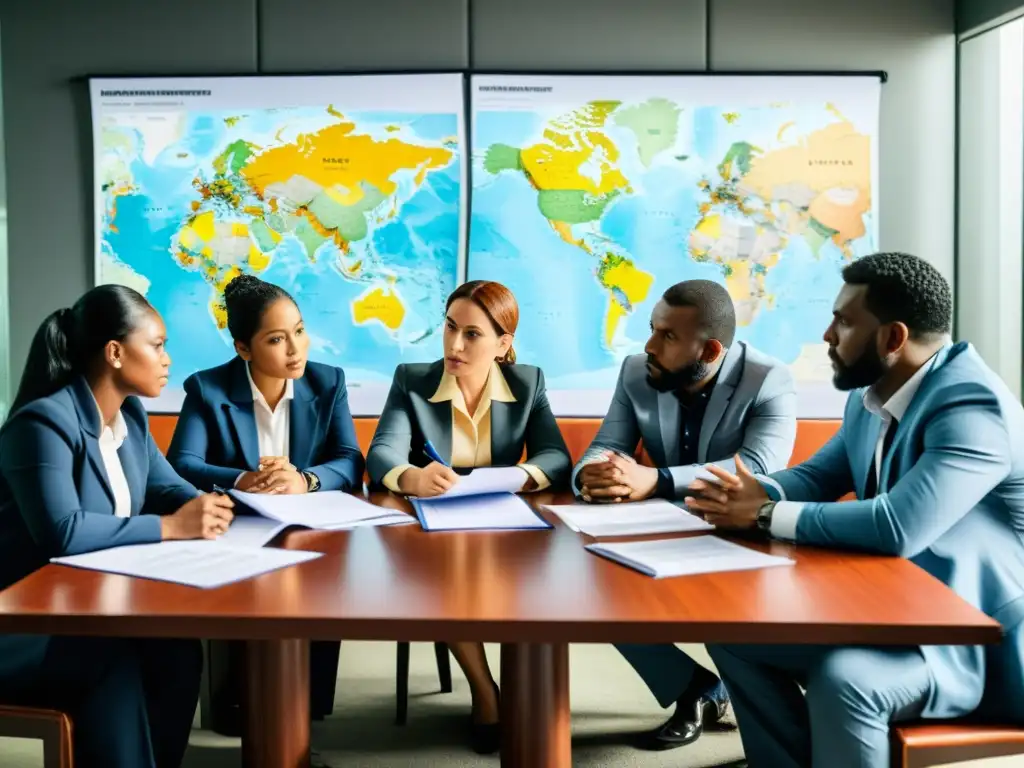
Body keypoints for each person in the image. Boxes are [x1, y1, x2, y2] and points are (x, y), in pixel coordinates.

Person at [686, 252, 1024, 768]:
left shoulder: (972, 406)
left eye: (844, 321)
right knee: (735, 635)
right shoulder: (872, 395)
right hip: (898, 615)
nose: (827, 334)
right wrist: (744, 494)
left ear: (893, 337)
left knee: (847, 681)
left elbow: (898, 525)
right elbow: (818, 478)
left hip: (974, 645)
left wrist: (760, 515)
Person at [0, 285, 235, 768]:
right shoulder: (41, 424)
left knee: (177, 653)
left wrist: (216, 508)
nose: (168, 359)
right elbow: (63, 532)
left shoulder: (129, 417)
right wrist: (172, 528)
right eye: (157, 345)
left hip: (78, 609)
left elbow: (170, 489)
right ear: (115, 353)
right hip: (21, 626)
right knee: (112, 662)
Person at [573, 279, 797, 751]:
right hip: (660, 525)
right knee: (593, 580)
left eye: (668, 336)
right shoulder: (638, 370)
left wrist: (655, 481)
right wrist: (594, 475)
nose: (649, 345)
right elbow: (606, 445)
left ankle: (776, 716)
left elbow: (758, 471)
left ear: (711, 349)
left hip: (741, 532)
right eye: (652, 329)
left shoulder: (768, 378)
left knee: (731, 628)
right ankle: (692, 689)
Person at [366, 279, 571, 753]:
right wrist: (410, 477)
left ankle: (532, 696)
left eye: (473, 334)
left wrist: (517, 477)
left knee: (538, 583)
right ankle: (486, 692)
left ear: (503, 344)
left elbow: (556, 457)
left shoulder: (528, 382)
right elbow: (380, 455)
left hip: (507, 523)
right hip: (432, 532)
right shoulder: (412, 379)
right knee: (450, 582)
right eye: (450, 328)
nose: (455, 345)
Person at [167, 273, 364, 732]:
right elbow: (183, 463)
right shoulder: (207, 389)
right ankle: (238, 705)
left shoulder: (327, 382)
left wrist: (305, 480)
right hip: (238, 526)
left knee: (321, 580)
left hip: (310, 527)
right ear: (243, 348)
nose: (295, 349)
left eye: (299, 330)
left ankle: (304, 710)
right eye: (277, 339)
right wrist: (244, 479)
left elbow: (351, 460)